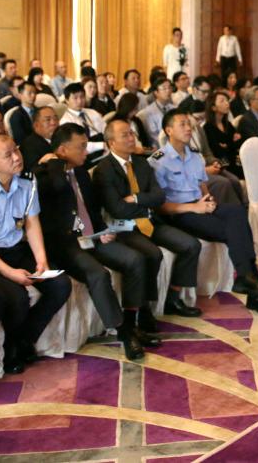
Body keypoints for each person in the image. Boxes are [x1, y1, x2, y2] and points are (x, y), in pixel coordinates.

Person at [34, 124, 158, 362]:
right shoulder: (42, 175)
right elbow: (59, 188)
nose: (86, 152)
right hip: (66, 245)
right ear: (62, 150)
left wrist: (102, 231)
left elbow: (91, 209)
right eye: (81, 147)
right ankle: (124, 334)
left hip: (92, 237)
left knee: (135, 259)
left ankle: (131, 322)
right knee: (99, 274)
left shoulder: (81, 172)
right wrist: (56, 164)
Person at [0, 134, 71, 375]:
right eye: (8, 155)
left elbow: (32, 223)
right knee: (17, 297)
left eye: (16, 150)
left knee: (60, 284)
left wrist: (41, 260)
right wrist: (9, 273)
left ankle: (23, 339)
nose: (17, 157)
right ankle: (9, 352)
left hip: (17, 249)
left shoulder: (27, 180)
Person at [151, 112, 258, 316]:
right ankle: (254, 290)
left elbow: (202, 185)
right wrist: (194, 208)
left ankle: (247, 280)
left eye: (189, 124)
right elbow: (160, 206)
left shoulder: (195, 156)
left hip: (201, 206)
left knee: (237, 212)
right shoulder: (158, 161)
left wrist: (208, 200)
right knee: (237, 232)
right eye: (182, 124)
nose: (189, 128)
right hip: (179, 213)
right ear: (168, 130)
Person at [93, 118, 203, 320]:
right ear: (111, 143)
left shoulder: (141, 163)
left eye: (132, 133)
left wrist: (136, 198)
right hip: (126, 228)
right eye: (125, 135)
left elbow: (159, 196)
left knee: (191, 245)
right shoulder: (104, 170)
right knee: (152, 254)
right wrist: (145, 202)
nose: (131, 138)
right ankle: (143, 310)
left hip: (151, 222)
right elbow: (118, 209)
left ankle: (173, 299)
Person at [202, 90, 242, 170]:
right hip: (222, 164)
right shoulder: (208, 128)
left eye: (227, 100)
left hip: (234, 161)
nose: (227, 103)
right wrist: (231, 143)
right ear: (213, 107)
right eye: (222, 101)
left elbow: (238, 143)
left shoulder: (228, 124)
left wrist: (227, 145)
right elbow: (217, 151)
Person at [136, 78, 176, 145]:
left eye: (169, 88)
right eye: (164, 88)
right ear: (156, 92)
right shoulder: (148, 112)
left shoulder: (175, 109)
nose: (168, 91)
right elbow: (154, 137)